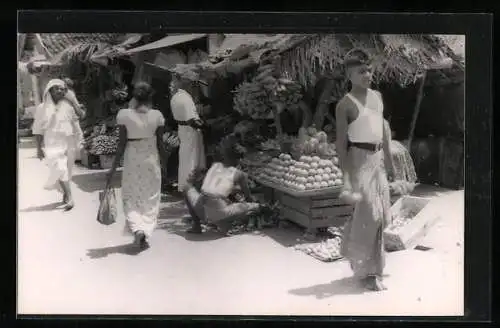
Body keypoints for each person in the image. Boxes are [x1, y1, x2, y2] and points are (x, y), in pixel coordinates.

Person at [335, 49, 396, 291]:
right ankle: (369, 271)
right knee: (370, 215)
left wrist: (390, 163)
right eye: (361, 71)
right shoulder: (344, 105)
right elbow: (341, 143)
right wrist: (346, 176)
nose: (367, 74)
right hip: (358, 159)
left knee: (380, 215)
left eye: (369, 70)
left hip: (378, 158)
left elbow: (384, 132)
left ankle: (367, 261)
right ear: (350, 74)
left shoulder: (377, 96)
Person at [106, 82, 168, 250]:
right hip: (151, 159)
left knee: (131, 195)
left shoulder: (124, 115)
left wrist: (112, 169)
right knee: (150, 197)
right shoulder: (157, 115)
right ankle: (145, 229)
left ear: (134, 96)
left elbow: (120, 145)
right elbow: (161, 145)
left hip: (132, 159)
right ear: (150, 97)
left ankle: (137, 228)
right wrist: (165, 165)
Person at [183, 136, 261, 235]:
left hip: (202, 212)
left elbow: (211, 189)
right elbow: (248, 198)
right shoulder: (240, 174)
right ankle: (225, 225)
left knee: (186, 188)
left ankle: (196, 226)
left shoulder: (215, 166)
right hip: (220, 214)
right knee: (253, 206)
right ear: (240, 159)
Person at [32, 79, 82, 211]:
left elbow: (79, 117)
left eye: (62, 89)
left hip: (68, 141)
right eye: (56, 88)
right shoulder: (41, 108)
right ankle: (70, 198)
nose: (60, 91)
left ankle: (65, 194)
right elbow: (37, 130)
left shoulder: (68, 106)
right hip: (52, 142)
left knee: (67, 170)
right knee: (60, 168)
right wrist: (38, 149)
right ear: (50, 91)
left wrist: (73, 102)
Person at [169, 73, 206, 193]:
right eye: (194, 85)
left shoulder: (176, 96)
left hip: (183, 130)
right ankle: (189, 187)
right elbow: (192, 121)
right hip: (190, 131)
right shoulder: (186, 99)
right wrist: (206, 125)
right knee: (192, 159)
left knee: (185, 158)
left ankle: (185, 186)